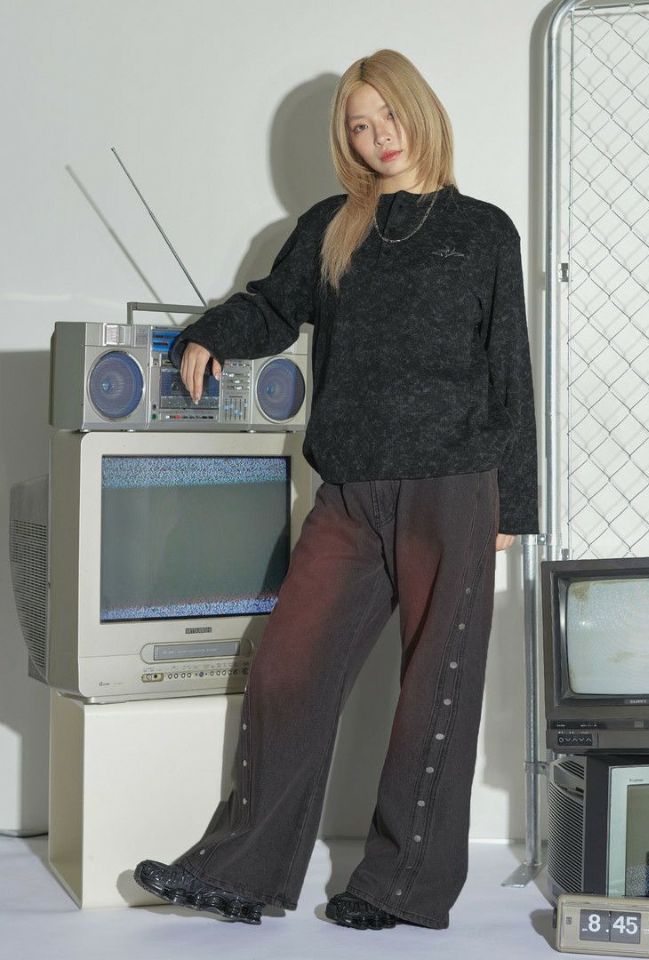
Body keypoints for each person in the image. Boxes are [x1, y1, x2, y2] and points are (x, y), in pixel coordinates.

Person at [133, 47, 538, 932]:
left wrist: (514, 502)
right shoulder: (333, 225)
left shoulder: (484, 231)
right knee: (289, 670)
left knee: (435, 691)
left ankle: (400, 887)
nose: (377, 135)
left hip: (453, 488)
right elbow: (272, 306)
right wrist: (209, 332)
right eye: (359, 125)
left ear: (418, 111)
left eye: (387, 114)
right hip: (350, 490)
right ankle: (241, 871)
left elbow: (509, 365)